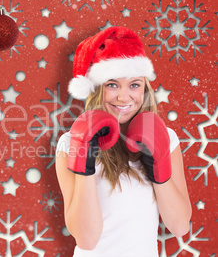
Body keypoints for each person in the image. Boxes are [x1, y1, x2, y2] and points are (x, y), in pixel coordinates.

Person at [55, 26, 192, 256]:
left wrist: (159, 168)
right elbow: (87, 240)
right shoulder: (70, 144)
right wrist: (84, 160)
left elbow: (178, 226)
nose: (123, 96)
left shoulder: (166, 138)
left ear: (144, 88)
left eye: (134, 84)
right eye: (112, 84)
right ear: (97, 88)